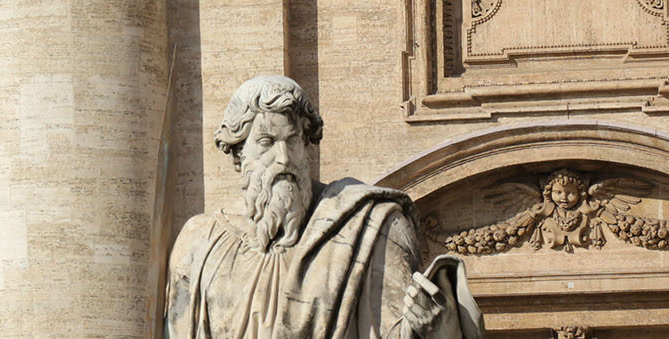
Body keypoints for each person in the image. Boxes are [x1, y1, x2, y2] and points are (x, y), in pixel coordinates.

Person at [166, 75, 484, 339]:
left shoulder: (371, 227)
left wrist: (442, 331)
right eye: (266, 142)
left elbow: (402, 332)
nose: (284, 159)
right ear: (238, 154)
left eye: (294, 141)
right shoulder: (200, 244)